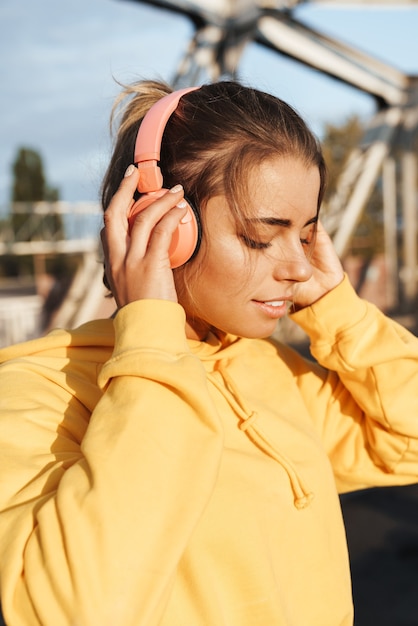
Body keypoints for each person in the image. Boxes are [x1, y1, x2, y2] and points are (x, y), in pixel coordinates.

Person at [0, 79, 417, 626]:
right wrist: (151, 340)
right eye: (260, 237)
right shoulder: (36, 396)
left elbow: (407, 439)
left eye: (308, 234)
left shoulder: (272, 373)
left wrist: (339, 309)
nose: (297, 266)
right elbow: (78, 610)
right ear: (166, 229)